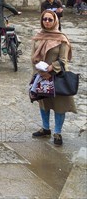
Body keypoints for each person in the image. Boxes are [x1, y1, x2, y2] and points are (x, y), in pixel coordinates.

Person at [31, 10, 76, 146]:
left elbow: (63, 60)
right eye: (45, 19)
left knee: (59, 105)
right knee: (44, 103)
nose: (47, 22)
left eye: (50, 19)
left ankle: (57, 132)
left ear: (55, 21)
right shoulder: (39, 36)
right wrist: (39, 71)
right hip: (41, 76)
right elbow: (33, 57)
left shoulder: (62, 38)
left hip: (58, 76)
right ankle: (45, 128)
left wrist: (51, 69)